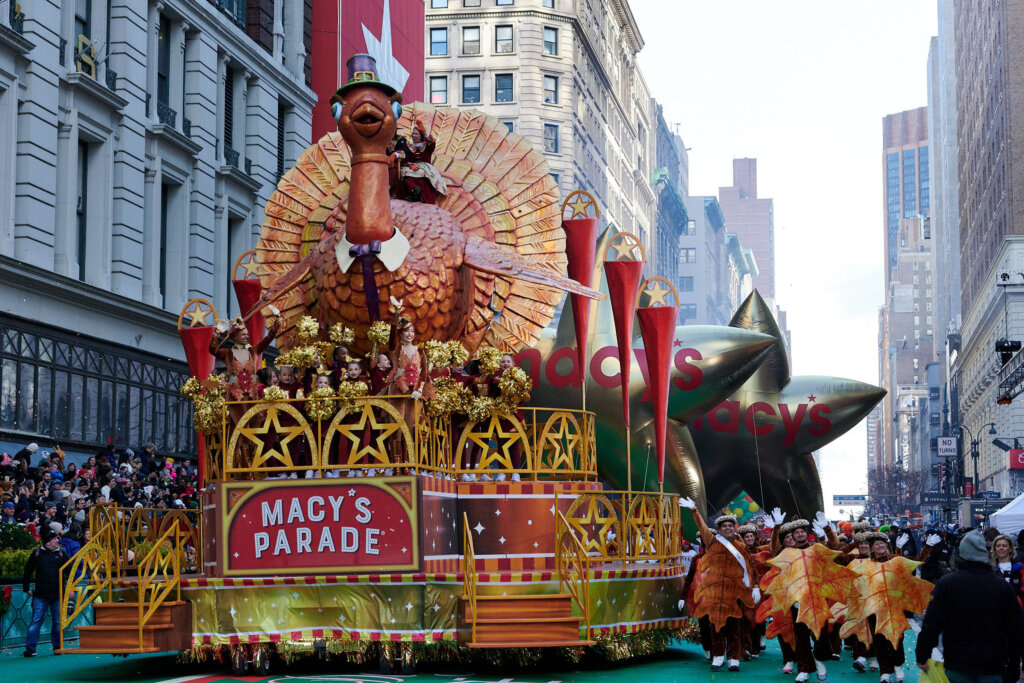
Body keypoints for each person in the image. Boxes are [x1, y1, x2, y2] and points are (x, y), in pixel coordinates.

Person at [917, 530, 1024, 683]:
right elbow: (1016, 629)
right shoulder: (1001, 586)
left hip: (958, 661)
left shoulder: (948, 583)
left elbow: (932, 623)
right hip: (992, 661)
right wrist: (1014, 664)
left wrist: (922, 654)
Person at [678, 497, 758, 672]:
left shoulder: (741, 547)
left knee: (734, 627)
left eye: (731, 525)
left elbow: (751, 568)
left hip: (734, 593)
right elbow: (702, 527)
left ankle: (734, 659)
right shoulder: (713, 543)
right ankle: (718, 656)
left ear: (734, 528)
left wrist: (756, 587)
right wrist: (694, 510)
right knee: (715, 626)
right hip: (714, 593)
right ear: (720, 530)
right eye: (724, 526)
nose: (728, 528)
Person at [22, 527, 70, 657]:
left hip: (57, 594)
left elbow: (70, 572)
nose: (57, 540)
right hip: (41, 594)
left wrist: (70, 589)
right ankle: (30, 648)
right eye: (55, 538)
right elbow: (27, 571)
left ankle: (57, 647)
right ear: (48, 541)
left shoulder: (62, 554)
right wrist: (26, 588)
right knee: (36, 620)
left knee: (57, 622)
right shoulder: (36, 554)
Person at [395, 119, 448, 204]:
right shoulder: (409, 146)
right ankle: (414, 191)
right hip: (411, 167)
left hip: (426, 167)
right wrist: (410, 165)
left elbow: (432, 141)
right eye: (413, 133)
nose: (413, 135)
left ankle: (422, 196)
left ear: (421, 135)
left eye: (416, 134)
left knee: (422, 173)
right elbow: (405, 159)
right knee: (404, 172)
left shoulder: (427, 146)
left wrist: (425, 132)